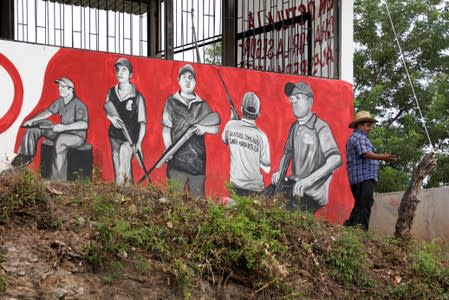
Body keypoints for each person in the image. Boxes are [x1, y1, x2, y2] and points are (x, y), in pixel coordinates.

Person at [270, 81, 342, 213]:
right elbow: (287, 153)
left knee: (282, 212)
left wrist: (309, 180)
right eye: (292, 99)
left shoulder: (320, 126)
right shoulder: (294, 127)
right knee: (265, 197)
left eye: (298, 98)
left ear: (310, 101)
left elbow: (336, 158)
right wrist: (280, 172)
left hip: (311, 192)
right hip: (294, 185)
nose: (294, 102)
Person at [11, 77, 88, 181]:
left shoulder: (79, 105)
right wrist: (32, 121)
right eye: (59, 86)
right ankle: (25, 156)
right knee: (35, 127)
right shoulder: (61, 101)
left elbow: (83, 125)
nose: (60, 89)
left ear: (71, 89)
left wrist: (64, 127)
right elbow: (48, 112)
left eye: (63, 87)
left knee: (60, 140)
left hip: (77, 137)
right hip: (61, 131)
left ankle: (57, 181)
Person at [161, 64, 220, 198]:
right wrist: (168, 148)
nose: (187, 80)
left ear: (195, 82)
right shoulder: (171, 102)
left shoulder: (202, 105)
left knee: (199, 204)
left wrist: (204, 128)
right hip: (176, 163)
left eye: (191, 77)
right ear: (179, 80)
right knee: (175, 202)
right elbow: (166, 129)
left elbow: (215, 128)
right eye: (184, 77)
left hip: (197, 164)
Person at [344, 110, 397, 231]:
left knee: (361, 204)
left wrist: (381, 157)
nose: (370, 128)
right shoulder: (359, 137)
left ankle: (350, 227)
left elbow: (366, 154)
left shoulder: (357, 138)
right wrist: (383, 157)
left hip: (360, 177)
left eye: (370, 125)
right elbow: (365, 154)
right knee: (364, 205)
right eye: (368, 125)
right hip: (363, 177)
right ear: (359, 125)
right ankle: (359, 231)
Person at [105, 57, 147, 186]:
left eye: (124, 69)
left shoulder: (138, 97)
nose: (120, 72)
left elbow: (142, 123)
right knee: (118, 168)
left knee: (124, 164)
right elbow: (107, 110)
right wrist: (111, 119)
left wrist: (139, 143)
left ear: (130, 75)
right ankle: (120, 195)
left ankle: (127, 192)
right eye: (118, 69)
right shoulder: (111, 92)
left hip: (130, 139)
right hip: (114, 136)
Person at [222, 92, 271, 196]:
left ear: (241, 109)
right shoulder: (261, 136)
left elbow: (224, 140)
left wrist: (232, 121)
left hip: (235, 187)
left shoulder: (230, 125)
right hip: (255, 190)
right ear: (258, 114)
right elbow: (267, 168)